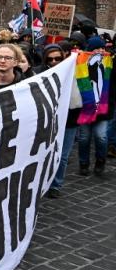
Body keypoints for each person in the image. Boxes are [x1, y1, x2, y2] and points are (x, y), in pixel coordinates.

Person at [76, 36, 115, 176]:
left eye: (102, 48)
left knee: (101, 137)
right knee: (84, 137)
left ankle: (100, 161)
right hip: (85, 108)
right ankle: (83, 163)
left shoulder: (109, 64)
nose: (100, 51)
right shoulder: (80, 63)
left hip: (104, 108)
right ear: (90, 50)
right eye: (97, 49)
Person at [48, 47, 81, 199]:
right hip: (48, 121)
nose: (54, 62)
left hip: (70, 120)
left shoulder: (75, 71)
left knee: (62, 156)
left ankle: (56, 184)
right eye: (50, 59)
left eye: (57, 59)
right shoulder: (41, 73)